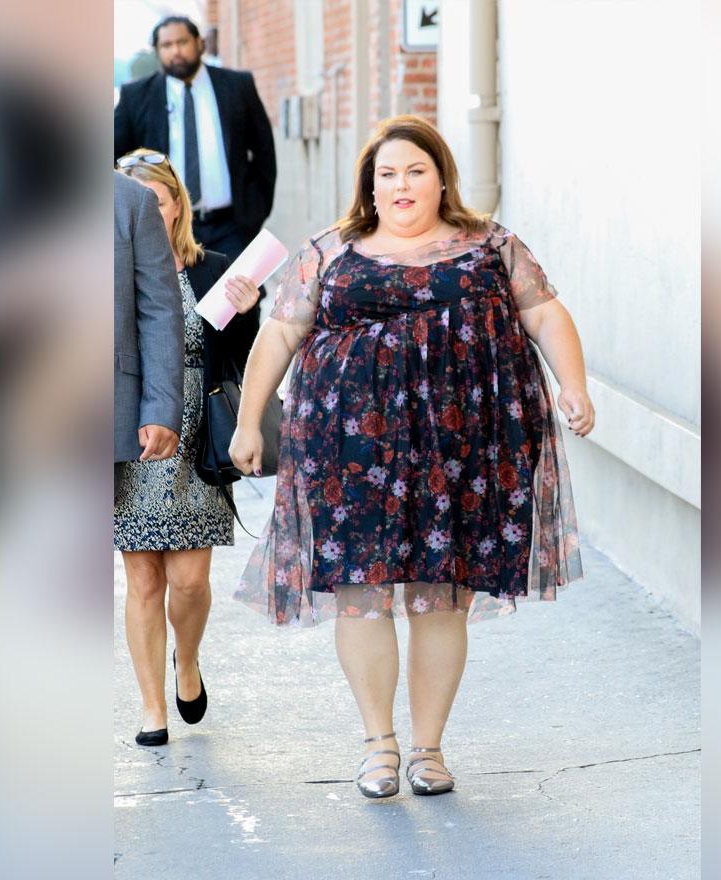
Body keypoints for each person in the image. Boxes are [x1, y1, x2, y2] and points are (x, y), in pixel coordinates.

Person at [230, 116, 592, 798]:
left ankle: (428, 748)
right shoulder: (331, 251)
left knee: (438, 598)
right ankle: (379, 744)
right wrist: (251, 422)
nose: (402, 184)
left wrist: (574, 385)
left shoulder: (491, 245)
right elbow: (279, 335)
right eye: (387, 172)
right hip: (348, 450)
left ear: (441, 177)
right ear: (370, 183)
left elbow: (544, 313)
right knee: (361, 594)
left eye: (416, 170)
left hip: (460, 449)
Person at [114, 149, 261, 747]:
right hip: (131, 429)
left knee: (191, 582)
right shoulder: (114, 261)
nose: (147, 210)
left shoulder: (212, 267)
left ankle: (188, 660)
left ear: (176, 206)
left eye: (157, 199)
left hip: (195, 432)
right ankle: (153, 708)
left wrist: (248, 313)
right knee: (143, 581)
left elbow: (237, 357)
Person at [113, 15, 275, 273]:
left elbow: (264, 151)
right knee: (174, 306)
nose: (175, 51)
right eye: (166, 46)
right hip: (164, 226)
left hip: (230, 226)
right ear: (157, 51)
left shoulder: (237, 85)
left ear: (199, 43)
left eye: (182, 42)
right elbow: (114, 157)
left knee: (239, 304)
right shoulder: (136, 96)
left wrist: (253, 212)